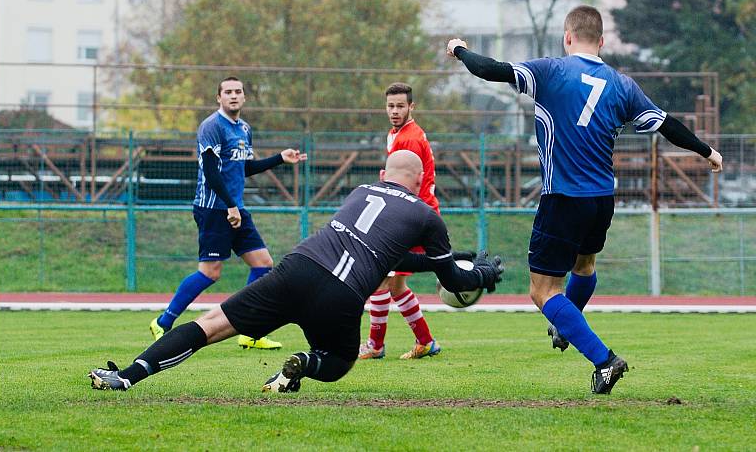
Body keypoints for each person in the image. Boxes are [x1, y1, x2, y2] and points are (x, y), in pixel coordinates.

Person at [447, 5, 723, 394]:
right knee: (584, 266)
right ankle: (567, 323)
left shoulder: (551, 71)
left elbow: (492, 69)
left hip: (562, 196)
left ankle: (604, 360)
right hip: (601, 200)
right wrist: (707, 151)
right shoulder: (621, 84)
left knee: (542, 291)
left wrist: (460, 50)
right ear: (603, 42)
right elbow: (668, 125)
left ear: (567, 37)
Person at [89, 150, 505, 393]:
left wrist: (449, 258)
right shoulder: (426, 215)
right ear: (421, 180)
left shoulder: (361, 191)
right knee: (340, 361)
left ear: (383, 176)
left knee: (212, 324)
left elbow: (386, 254)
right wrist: (481, 273)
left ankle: (126, 376)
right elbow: (451, 282)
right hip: (340, 294)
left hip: (299, 268)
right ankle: (304, 363)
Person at [149, 76, 307, 351]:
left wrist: (280, 158)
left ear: (244, 97)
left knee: (263, 264)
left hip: (236, 208)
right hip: (213, 208)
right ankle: (164, 322)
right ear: (218, 98)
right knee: (210, 272)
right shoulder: (211, 126)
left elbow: (244, 168)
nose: (233, 96)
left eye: (238, 91)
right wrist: (229, 206)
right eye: (228, 92)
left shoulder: (244, 128)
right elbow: (210, 172)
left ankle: (249, 331)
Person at [360, 82, 443, 360]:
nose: (394, 111)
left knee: (382, 280)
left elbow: (407, 185)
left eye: (400, 106)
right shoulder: (399, 133)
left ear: (411, 107)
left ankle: (375, 345)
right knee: (394, 284)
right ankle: (425, 341)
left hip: (413, 217)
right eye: (390, 106)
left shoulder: (408, 139)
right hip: (418, 214)